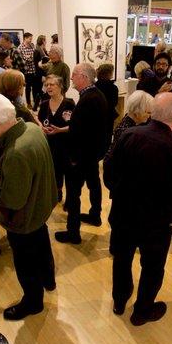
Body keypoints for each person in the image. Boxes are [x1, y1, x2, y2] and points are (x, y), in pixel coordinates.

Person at [104, 92, 172, 326]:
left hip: (122, 215)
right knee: (152, 267)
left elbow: (109, 174)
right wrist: (171, 220)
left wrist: (120, 194)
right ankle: (142, 311)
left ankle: (119, 301)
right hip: (155, 225)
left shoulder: (128, 134)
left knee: (121, 259)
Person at [0, 93, 57, 320]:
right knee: (41, 243)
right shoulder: (31, 128)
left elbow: (12, 200)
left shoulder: (15, 152)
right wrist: (1, 171)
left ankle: (33, 302)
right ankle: (49, 280)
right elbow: (31, 169)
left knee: (25, 261)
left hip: (23, 218)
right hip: (41, 206)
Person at [54, 63, 109, 244]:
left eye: (75, 74)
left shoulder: (89, 98)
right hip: (92, 154)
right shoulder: (95, 95)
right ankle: (95, 215)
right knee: (94, 184)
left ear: (84, 77)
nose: (71, 78)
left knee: (73, 193)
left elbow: (80, 132)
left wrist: (73, 158)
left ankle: (73, 232)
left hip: (82, 156)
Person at [37, 75, 75, 202]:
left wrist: (60, 130)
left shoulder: (69, 103)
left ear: (60, 87)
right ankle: (57, 193)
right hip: (49, 145)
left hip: (66, 145)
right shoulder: (44, 104)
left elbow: (74, 126)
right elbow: (39, 120)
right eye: (47, 85)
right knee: (54, 171)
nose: (48, 87)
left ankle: (70, 200)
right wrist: (41, 127)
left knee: (68, 172)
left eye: (52, 84)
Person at [105, 90, 153, 159]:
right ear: (138, 111)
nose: (149, 116)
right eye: (148, 112)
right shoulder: (126, 131)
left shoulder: (133, 123)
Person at [95, 63, 119, 144]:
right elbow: (115, 103)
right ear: (109, 73)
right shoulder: (113, 88)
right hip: (108, 115)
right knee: (107, 137)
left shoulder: (94, 86)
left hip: (96, 115)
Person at [18, 32, 37, 109]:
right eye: (30, 38)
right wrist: (29, 58)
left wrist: (29, 58)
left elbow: (34, 57)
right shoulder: (20, 48)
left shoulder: (32, 46)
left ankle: (35, 102)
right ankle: (29, 103)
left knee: (35, 88)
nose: (31, 40)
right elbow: (23, 60)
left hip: (34, 70)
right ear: (25, 38)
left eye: (31, 39)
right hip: (26, 71)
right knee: (28, 88)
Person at [32, 35, 48, 110]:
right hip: (39, 74)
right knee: (39, 91)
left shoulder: (43, 50)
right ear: (42, 41)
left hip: (43, 73)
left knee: (42, 91)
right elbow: (36, 64)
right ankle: (36, 107)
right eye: (45, 40)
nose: (46, 42)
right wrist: (42, 75)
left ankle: (41, 105)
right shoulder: (37, 51)